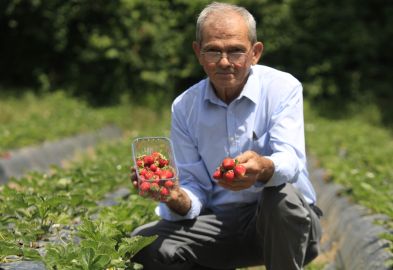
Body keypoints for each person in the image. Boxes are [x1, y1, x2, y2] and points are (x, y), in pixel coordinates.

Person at [129, 2, 323, 269]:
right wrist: (174, 196)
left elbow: (290, 161)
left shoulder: (282, 88)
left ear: (255, 53)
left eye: (235, 51)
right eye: (212, 51)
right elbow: (194, 188)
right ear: (198, 53)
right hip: (221, 226)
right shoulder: (185, 106)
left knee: (280, 198)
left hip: (285, 229)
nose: (223, 62)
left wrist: (263, 167)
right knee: (141, 242)